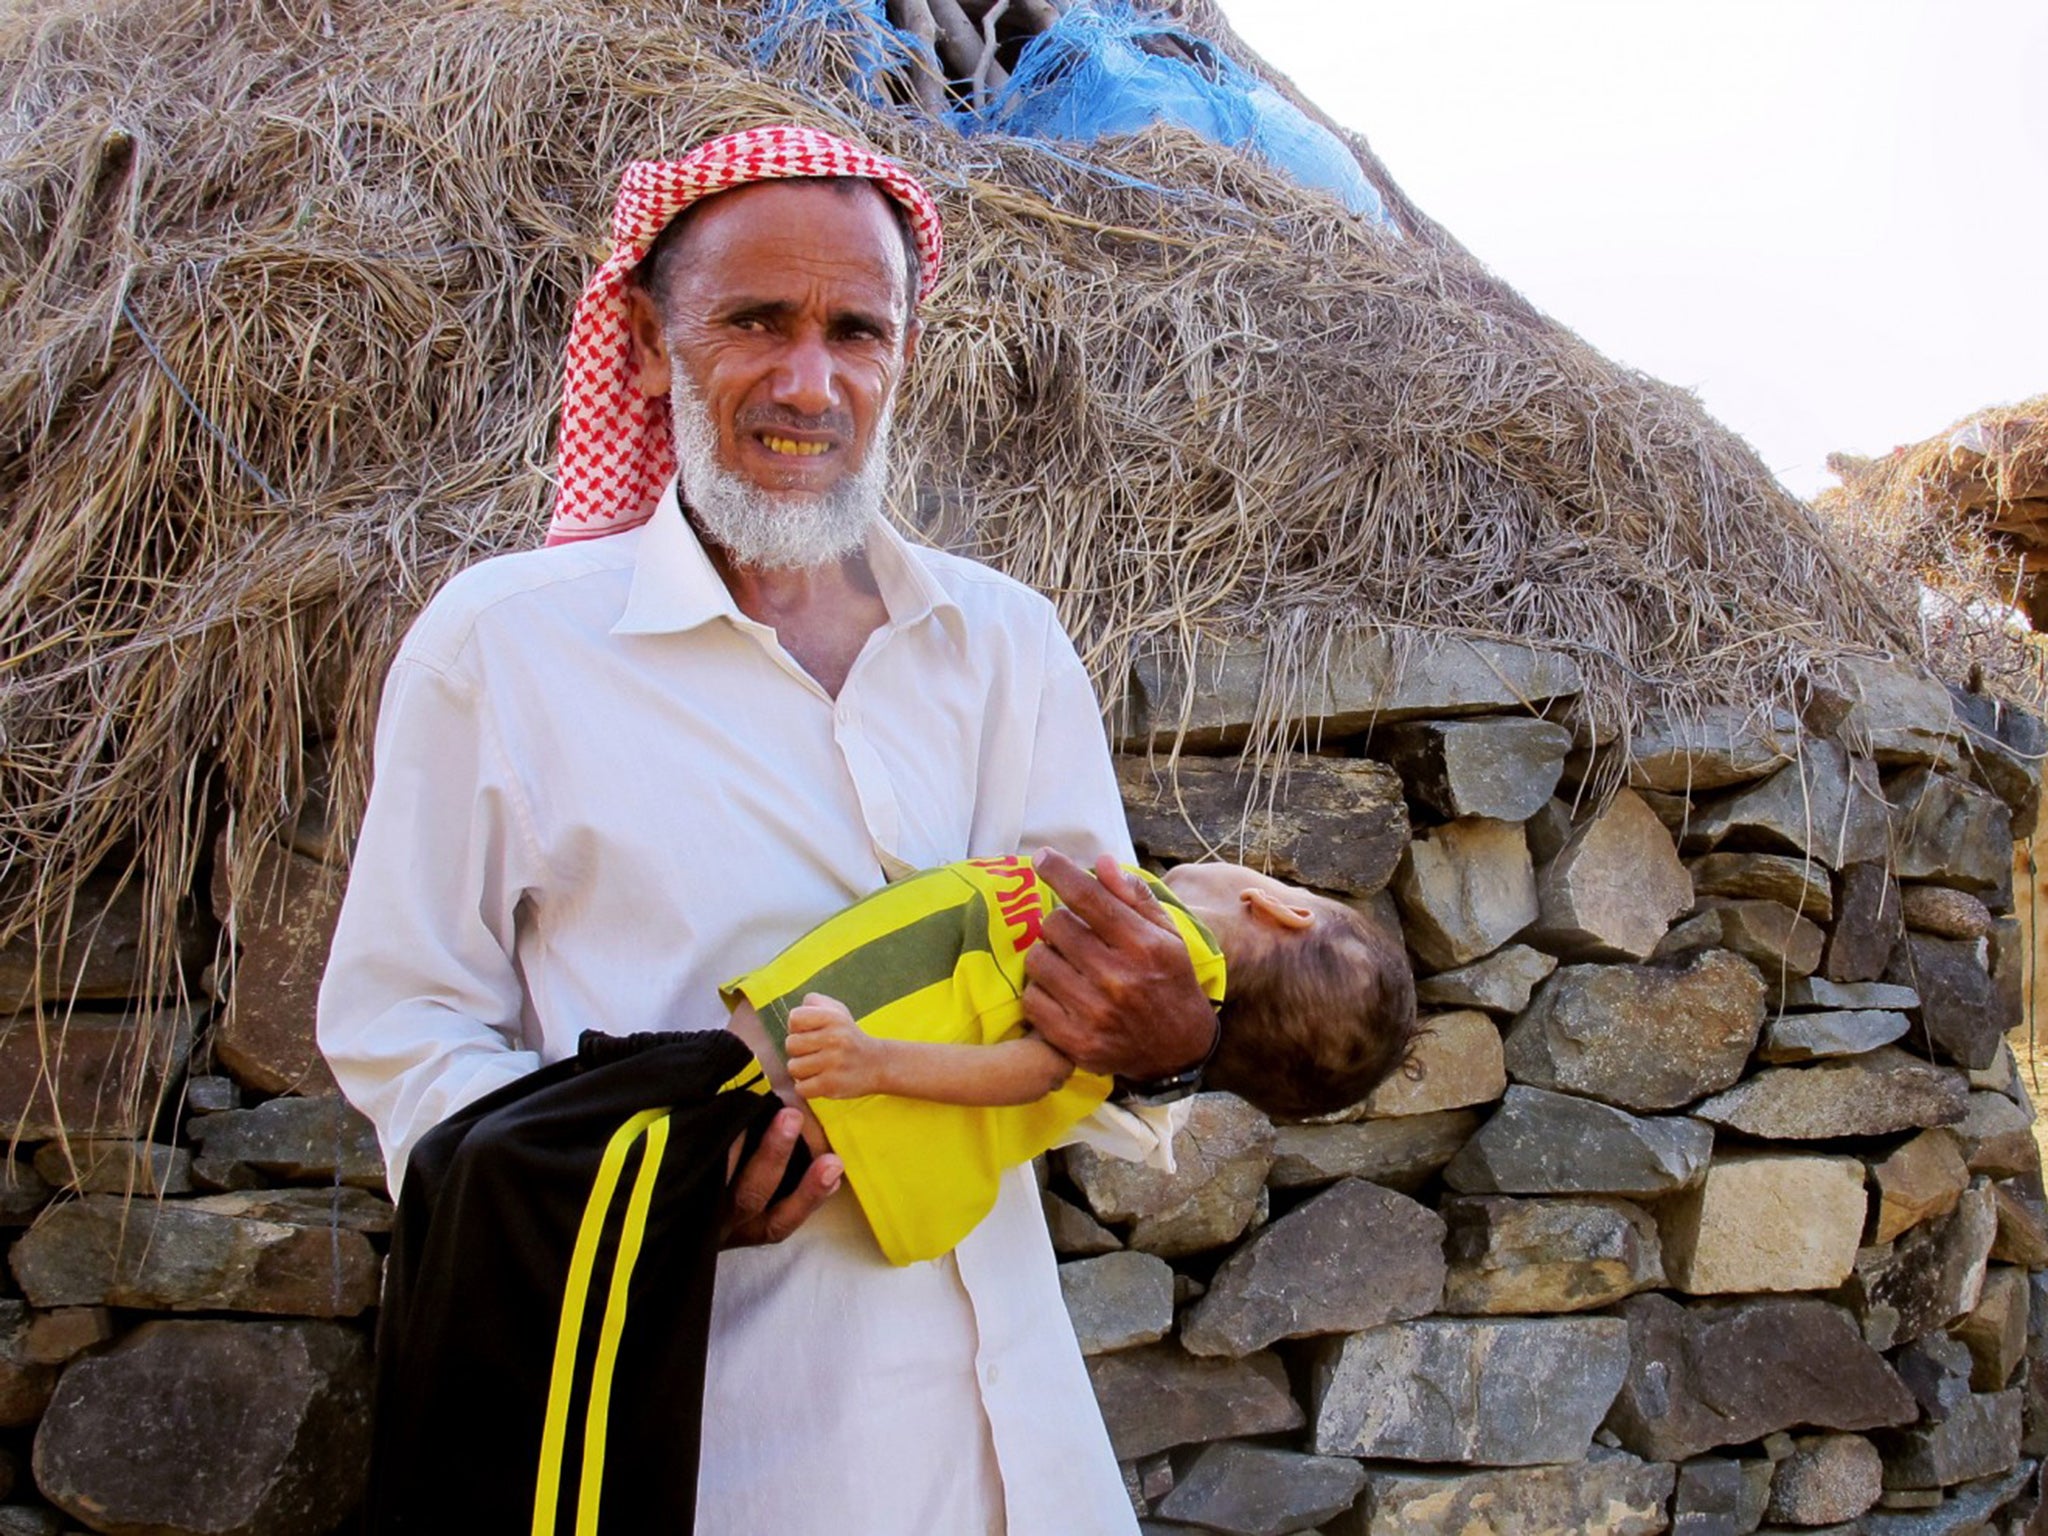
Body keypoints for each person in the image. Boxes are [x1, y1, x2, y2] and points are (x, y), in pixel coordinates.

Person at [317, 123, 1223, 1534]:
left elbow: (1085, 1006)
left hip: (1022, 1458)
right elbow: (403, 1025)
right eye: (757, 322)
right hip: (717, 1439)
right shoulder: (505, 651)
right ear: (640, 344)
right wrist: (644, 1201)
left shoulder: (1005, 646)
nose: (812, 383)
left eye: (856, 331)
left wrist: (1165, 1045)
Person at [722, 851, 1418, 1266]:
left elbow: (1041, 1071)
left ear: (1279, 908)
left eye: (1294, 883)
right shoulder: (1152, 941)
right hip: (812, 1089)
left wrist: (873, 1063)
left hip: (824, 1097)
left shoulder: (1160, 965)